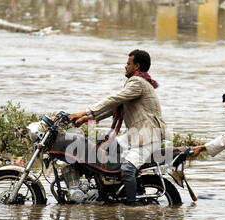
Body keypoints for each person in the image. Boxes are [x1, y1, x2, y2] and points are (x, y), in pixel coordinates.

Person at [69, 49, 167, 206]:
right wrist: (84, 119)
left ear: (136, 66)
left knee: (127, 169)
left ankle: (131, 207)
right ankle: (108, 189)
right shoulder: (138, 83)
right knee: (104, 149)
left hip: (148, 137)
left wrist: (84, 112)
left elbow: (114, 99)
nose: (125, 67)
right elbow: (114, 107)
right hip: (136, 135)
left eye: (128, 64)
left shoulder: (138, 83)